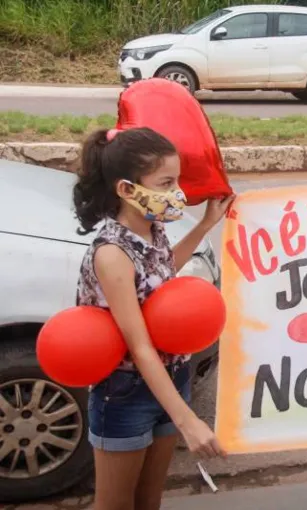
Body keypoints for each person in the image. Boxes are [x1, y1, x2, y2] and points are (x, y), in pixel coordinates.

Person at [72, 127, 235, 510]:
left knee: (149, 500)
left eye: (176, 180)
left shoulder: (152, 229)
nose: (177, 192)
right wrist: (188, 421)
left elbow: (162, 272)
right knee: (116, 505)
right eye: (166, 182)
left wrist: (206, 224)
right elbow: (140, 346)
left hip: (171, 377)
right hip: (126, 392)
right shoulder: (111, 253)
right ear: (126, 189)